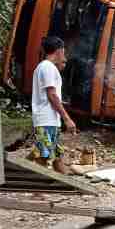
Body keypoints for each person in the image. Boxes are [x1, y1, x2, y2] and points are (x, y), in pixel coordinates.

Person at [30, 36, 77, 173]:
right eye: (64, 51)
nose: (65, 56)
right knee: (43, 157)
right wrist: (67, 118)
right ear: (59, 51)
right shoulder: (47, 67)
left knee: (56, 156)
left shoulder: (46, 67)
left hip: (49, 119)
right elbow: (52, 95)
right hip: (46, 119)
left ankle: (68, 185)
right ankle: (38, 190)